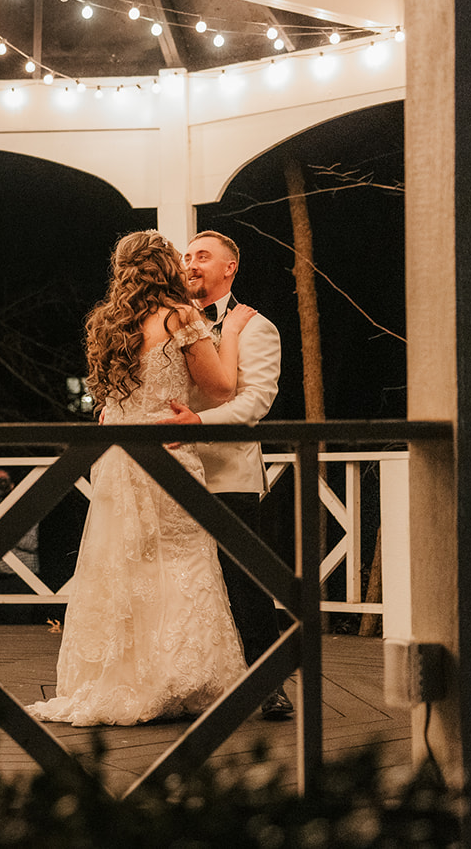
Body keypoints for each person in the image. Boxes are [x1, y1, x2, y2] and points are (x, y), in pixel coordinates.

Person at [28, 229, 250, 726]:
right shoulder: (182, 317)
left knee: (123, 569)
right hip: (168, 458)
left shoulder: (108, 323)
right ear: (167, 266)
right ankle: (178, 679)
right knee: (184, 563)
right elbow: (219, 389)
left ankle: (129, 676)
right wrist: (229, 335)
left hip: (117, 464)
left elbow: (106, 402)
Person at [165, 230, 294, 721]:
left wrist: (197, 422)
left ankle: (268, 685)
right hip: (171, 470)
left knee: (244, 583)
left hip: (227, 474)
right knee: (178, 580)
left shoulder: (255, 327)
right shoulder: (167, 322)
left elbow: (254, 402)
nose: (191, 263)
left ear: (229, 269)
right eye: (187, 257)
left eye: (203, 256)